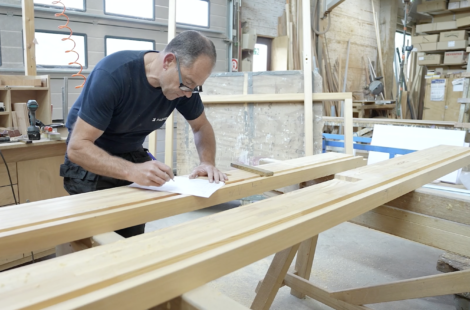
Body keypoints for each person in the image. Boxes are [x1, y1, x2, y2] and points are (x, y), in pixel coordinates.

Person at [60, 30, 228, 238]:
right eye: (187, 84)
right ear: (168, 61)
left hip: (131, 153)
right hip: (92, 156)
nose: (188, 93)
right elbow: (77, 148)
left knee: (131, 237)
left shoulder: (184, 86)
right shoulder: (114, 74)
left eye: (195, 87)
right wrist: (132, 171)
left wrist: (207, 162)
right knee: (96, 241)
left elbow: (201, 126)